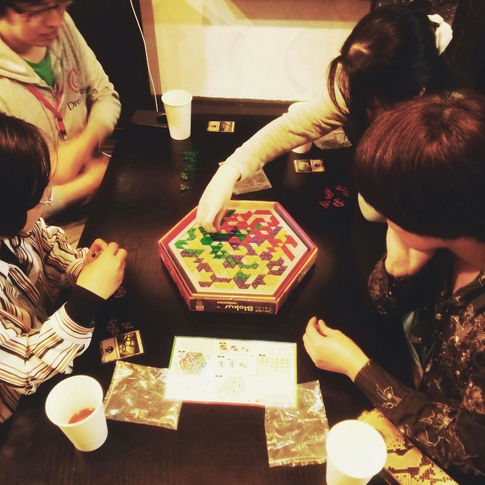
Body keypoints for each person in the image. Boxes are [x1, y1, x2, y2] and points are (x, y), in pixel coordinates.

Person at [303, 91, 485, 477]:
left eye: (391, 211)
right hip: (413, 382)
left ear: (433, 215)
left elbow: (470, 451)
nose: (384, 218)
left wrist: (356, 366)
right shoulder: (448, 243)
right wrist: (398, 267)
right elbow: (382, 301)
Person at [195, 4, 454, 231]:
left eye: (370, 105)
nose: (351, 102)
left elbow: (381, 211)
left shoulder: (448, 126)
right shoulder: (363, 83)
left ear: (416, 95)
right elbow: (294, 126)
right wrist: (231, 170)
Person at [0, 112, 127, 422]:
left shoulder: (19, 227)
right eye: (38, 196)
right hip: (16, 412)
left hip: (52, 347)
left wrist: (82, 267)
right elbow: (24, 368)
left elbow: (48, 247)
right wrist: (85, 301)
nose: (47, 199)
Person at [0, 0, 121, 216]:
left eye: (61, 5)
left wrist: (85, 142)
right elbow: (12, 212)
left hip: (97, 199)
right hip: (42, 229)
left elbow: (105, 94)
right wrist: (87, 184)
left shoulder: (61, 27)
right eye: (39, 11)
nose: (55, 21)